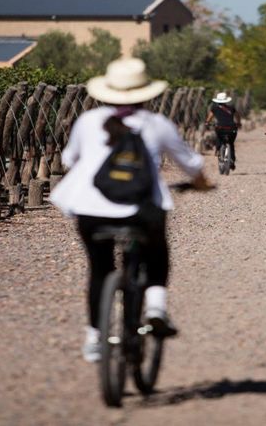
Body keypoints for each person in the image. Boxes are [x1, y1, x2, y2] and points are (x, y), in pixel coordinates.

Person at [49, 58, 212, 363]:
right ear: (146, 92)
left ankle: (95, 338)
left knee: (100, 269)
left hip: (90, 209)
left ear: (107, 91)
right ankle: (156, 308)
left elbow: (70, 159)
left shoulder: (88, 121)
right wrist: (202, 184)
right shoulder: (157, 124)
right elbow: (191, 164)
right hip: (140, 211)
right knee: (156, 253)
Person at [205, 91, 242, 169]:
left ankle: (218, 150)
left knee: (219, 137)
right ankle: (232, 160)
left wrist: (207, 123)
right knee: (231, 143)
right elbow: (237, 116)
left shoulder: (214, 108)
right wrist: (238, 123)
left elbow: (209, 118)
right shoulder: (232, 108)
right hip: (232, 128)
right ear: (226, 101)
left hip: (220, 128)